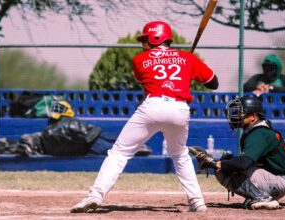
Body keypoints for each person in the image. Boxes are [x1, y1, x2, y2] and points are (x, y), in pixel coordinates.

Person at [70, 20, 219, 213]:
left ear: (155, 38)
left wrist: (180, 64)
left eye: (145, 40)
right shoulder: (187, 58)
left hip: (153, 106)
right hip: (180, 110)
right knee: (180, 155)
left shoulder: (140, 60)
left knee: (119, 153)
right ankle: (197, 202)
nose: (143, 44)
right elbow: (213, 83)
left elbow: (147, 78)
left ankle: (95, 195)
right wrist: (188, 65)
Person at [193, 96, 285, 210]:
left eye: (241, 112)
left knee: (227, 168)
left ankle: (262, 198)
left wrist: (217, 163)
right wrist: (223, 162)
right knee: (229, 162)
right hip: (275, 179)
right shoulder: (260, 130)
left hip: (278, 182)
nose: (236, 115)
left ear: (253, 116)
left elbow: (244, 163)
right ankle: (260, 196)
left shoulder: (259, 132)